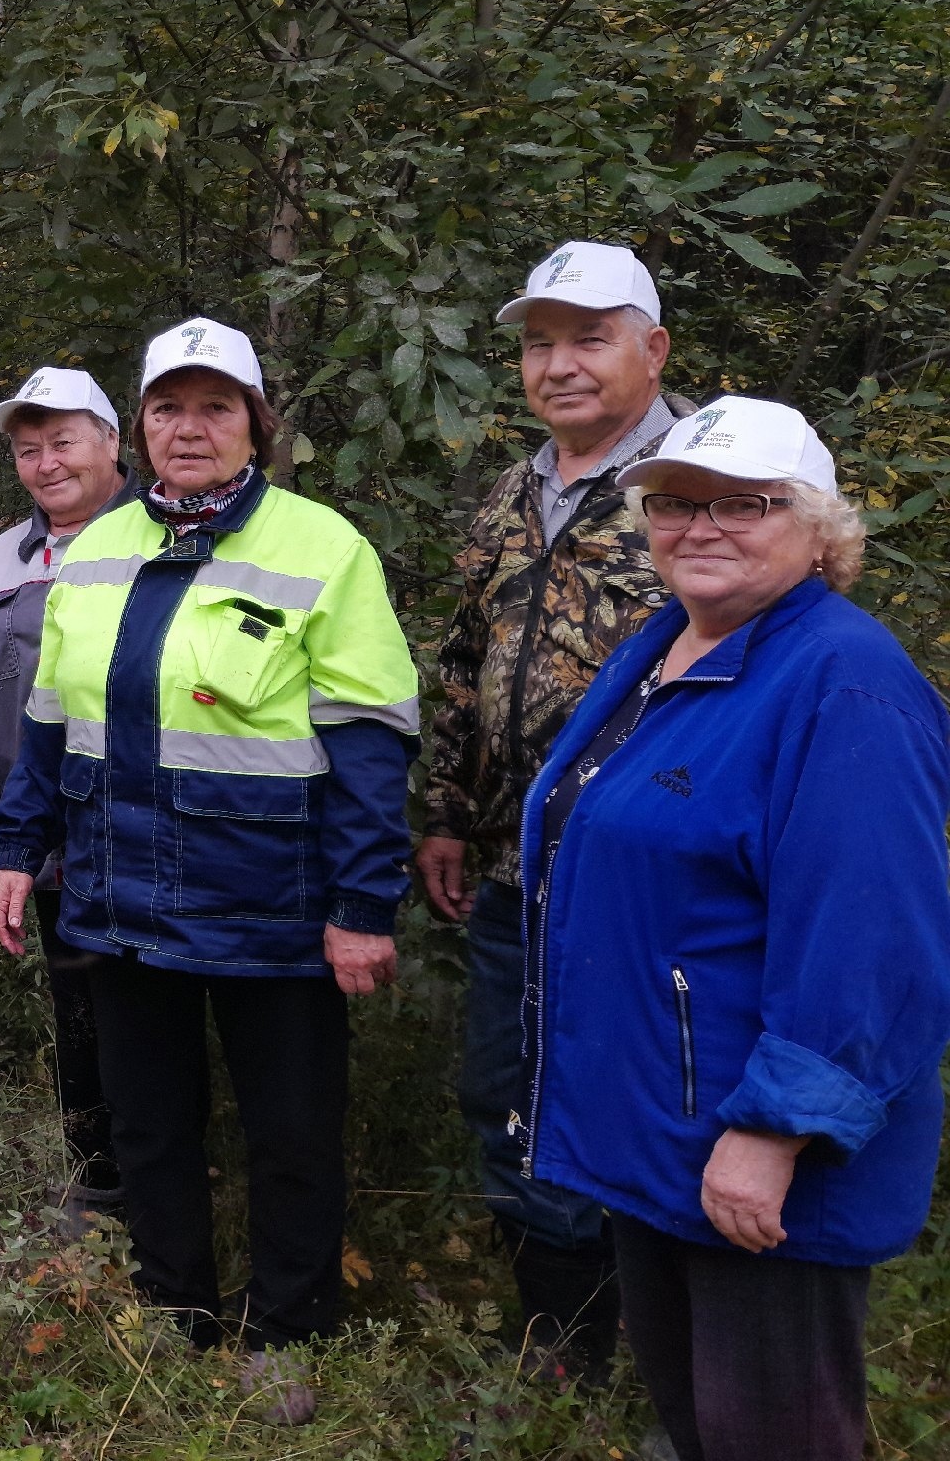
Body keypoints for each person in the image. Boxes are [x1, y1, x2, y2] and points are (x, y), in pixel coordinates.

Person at [0, 317, 420, 1424]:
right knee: (148, 1127)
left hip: (272, 904)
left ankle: (286, 1333)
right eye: (169, 407)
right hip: (117, 899)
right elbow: (49, 716)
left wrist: (362, 904)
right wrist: (18, 844)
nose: (190, 427)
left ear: (256, 426)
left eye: (215, 406)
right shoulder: (89, 548)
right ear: (140, 427)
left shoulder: (323, 548)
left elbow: (369, 741)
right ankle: (175, 1314)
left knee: (289, 1135)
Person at [521, 396, 950, 1461]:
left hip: (753, 1154)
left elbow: (874, 939)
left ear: (818, 529)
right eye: (674, 502)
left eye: (742, 503)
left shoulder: (843, 682)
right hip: (662, 1130)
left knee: (774, 1435)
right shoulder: (669, 644)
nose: (699, 526)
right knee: (695, 1421)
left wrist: (772, 1134)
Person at [415, 240, 688, 1379]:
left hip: (646, 879)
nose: (560, 364)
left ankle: (666, 1346)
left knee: (636, 1095)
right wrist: (443, 810)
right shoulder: (513, 490)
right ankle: (561, 1344)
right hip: (513, 868)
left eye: (589, 336)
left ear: (652, 348)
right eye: (539, 342)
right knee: (509, 1092)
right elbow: (468, 662)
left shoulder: (704, 487)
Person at [0, 367, 129, 1236]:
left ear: (109, 440)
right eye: (29, 450)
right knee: (77, 1013)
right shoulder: (2, 558)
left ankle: (169, 1189)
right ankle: (98, 1189)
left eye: (63, 441)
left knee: (148, 1015)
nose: (46, 463)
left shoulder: (154, 538)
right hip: (38, 839)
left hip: (135, 832)